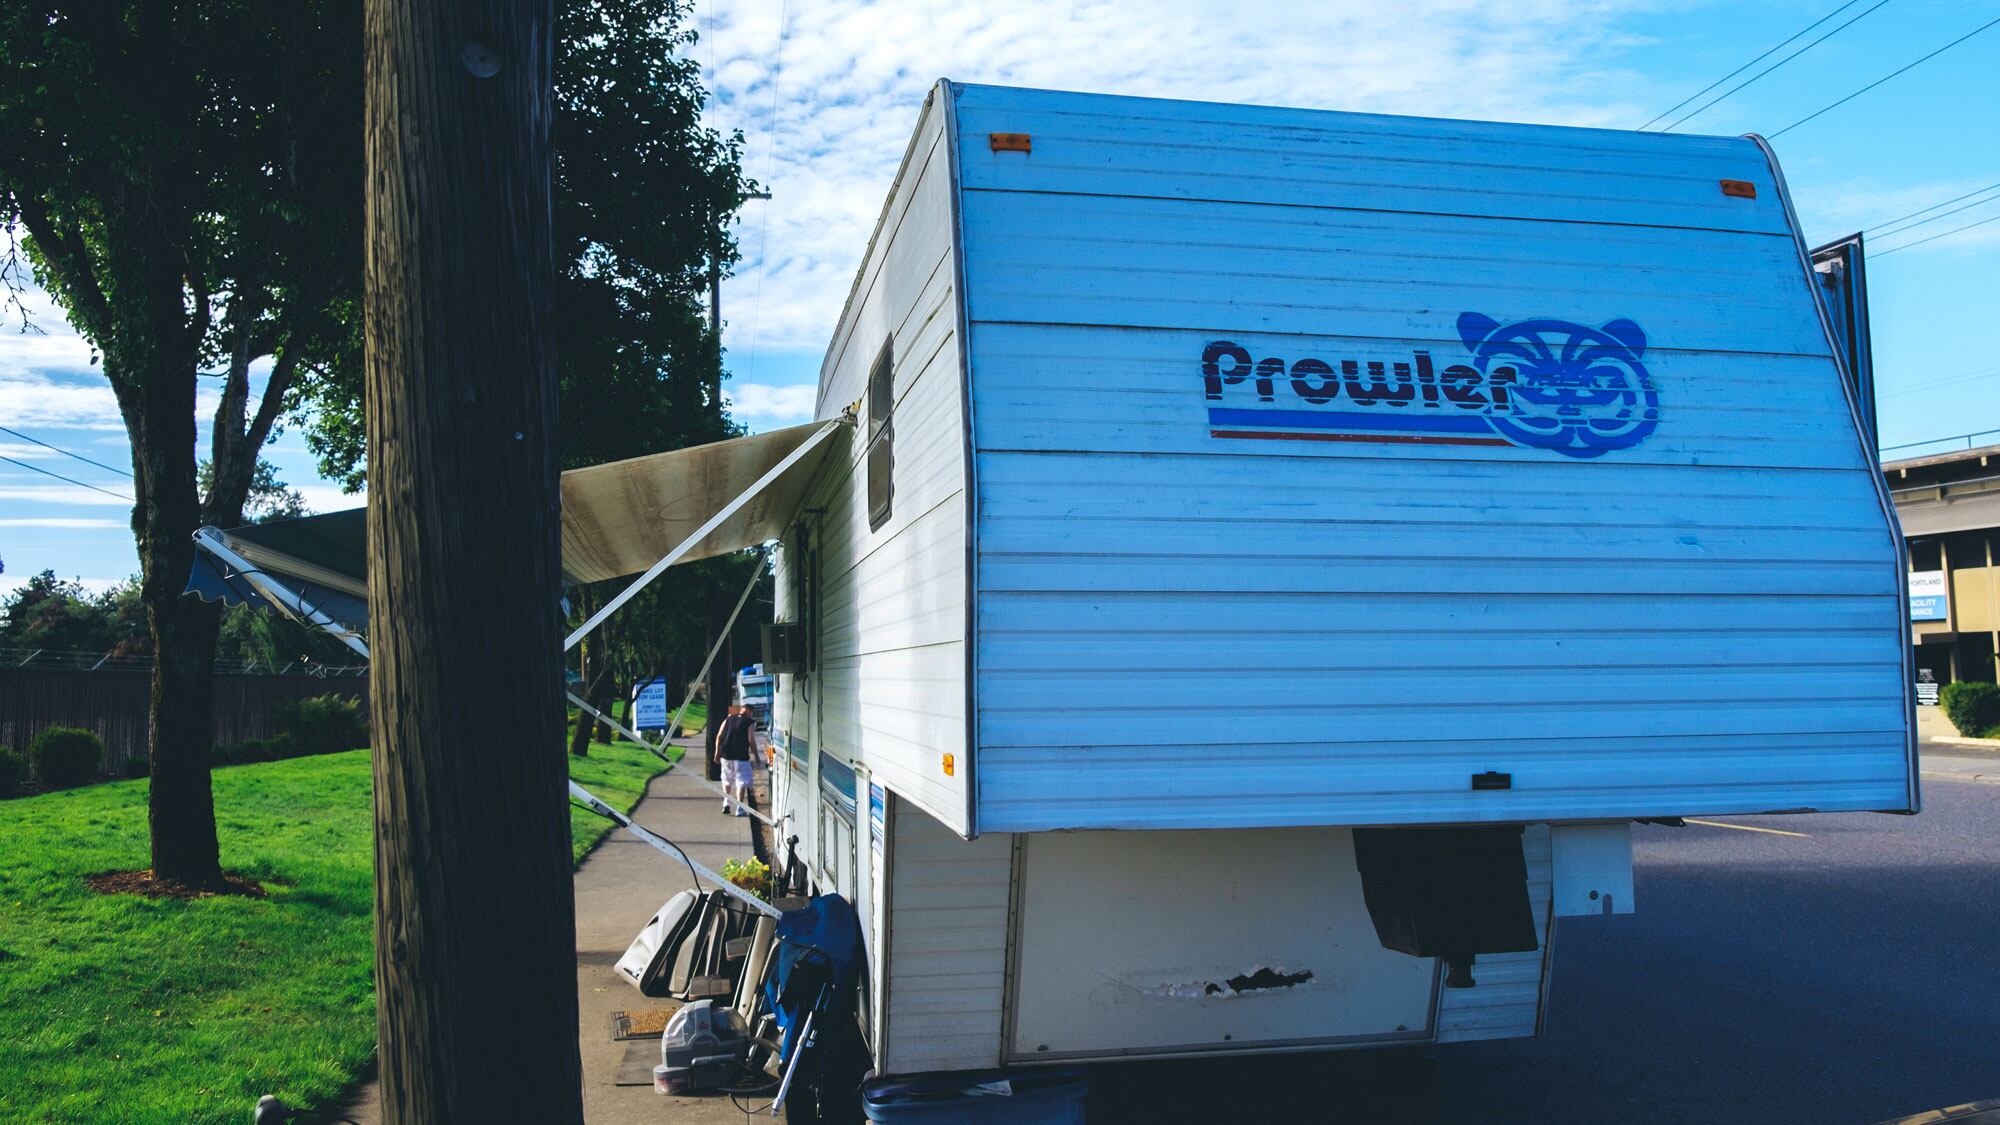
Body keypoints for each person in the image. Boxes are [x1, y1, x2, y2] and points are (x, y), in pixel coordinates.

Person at [714, 702, 759, 817]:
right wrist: (756, 756)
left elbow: (719, 736)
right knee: (741, 782)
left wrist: (717, 752)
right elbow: (751, 740)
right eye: (751, 713)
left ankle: (726, 802)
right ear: (749, 711)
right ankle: (739, 808)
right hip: (741, 756)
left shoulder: (729, 718)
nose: (751, 715)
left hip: (726, 755)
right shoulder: (750, 722)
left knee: (727, 779)